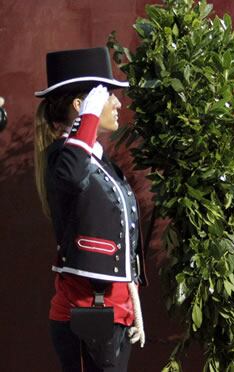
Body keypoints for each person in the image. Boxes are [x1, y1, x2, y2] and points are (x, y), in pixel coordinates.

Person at [33, 47, 146, 371]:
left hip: (111, 314)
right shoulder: (64, 157)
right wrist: (90, 118)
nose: (117, 103)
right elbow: (71, 175)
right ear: (81, 107)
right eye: (106, 95)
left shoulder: (94, 157)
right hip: (87, 312)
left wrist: (132, 301)